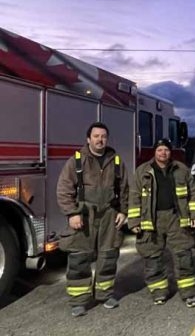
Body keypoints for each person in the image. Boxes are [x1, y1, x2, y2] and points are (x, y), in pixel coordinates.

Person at [56, 122, 128, 317]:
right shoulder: (76, 161)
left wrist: (123, 211)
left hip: (109, 214)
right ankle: (79, 301)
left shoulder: (116, 161)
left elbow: (124, 189)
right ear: (88, 139)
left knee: (109, 255)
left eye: (103, 136)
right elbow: (64, 189)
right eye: (96, 136)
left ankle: (105, 295)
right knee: (79, 257)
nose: (100, 140)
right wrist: (72, 213)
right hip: (84, 214)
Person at [128, 138, 195, 307]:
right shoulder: (142, 171)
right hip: (151, 220)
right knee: (152, 257)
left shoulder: (182, 170)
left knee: (183, 256)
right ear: (155, 152)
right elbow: (134, 197)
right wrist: (134, 221)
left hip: (177, 218)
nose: (163, 153)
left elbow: (194, 194)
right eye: (160, 150)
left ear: (171, 152)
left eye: (166, 150)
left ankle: (189, 294)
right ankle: (159, 292)